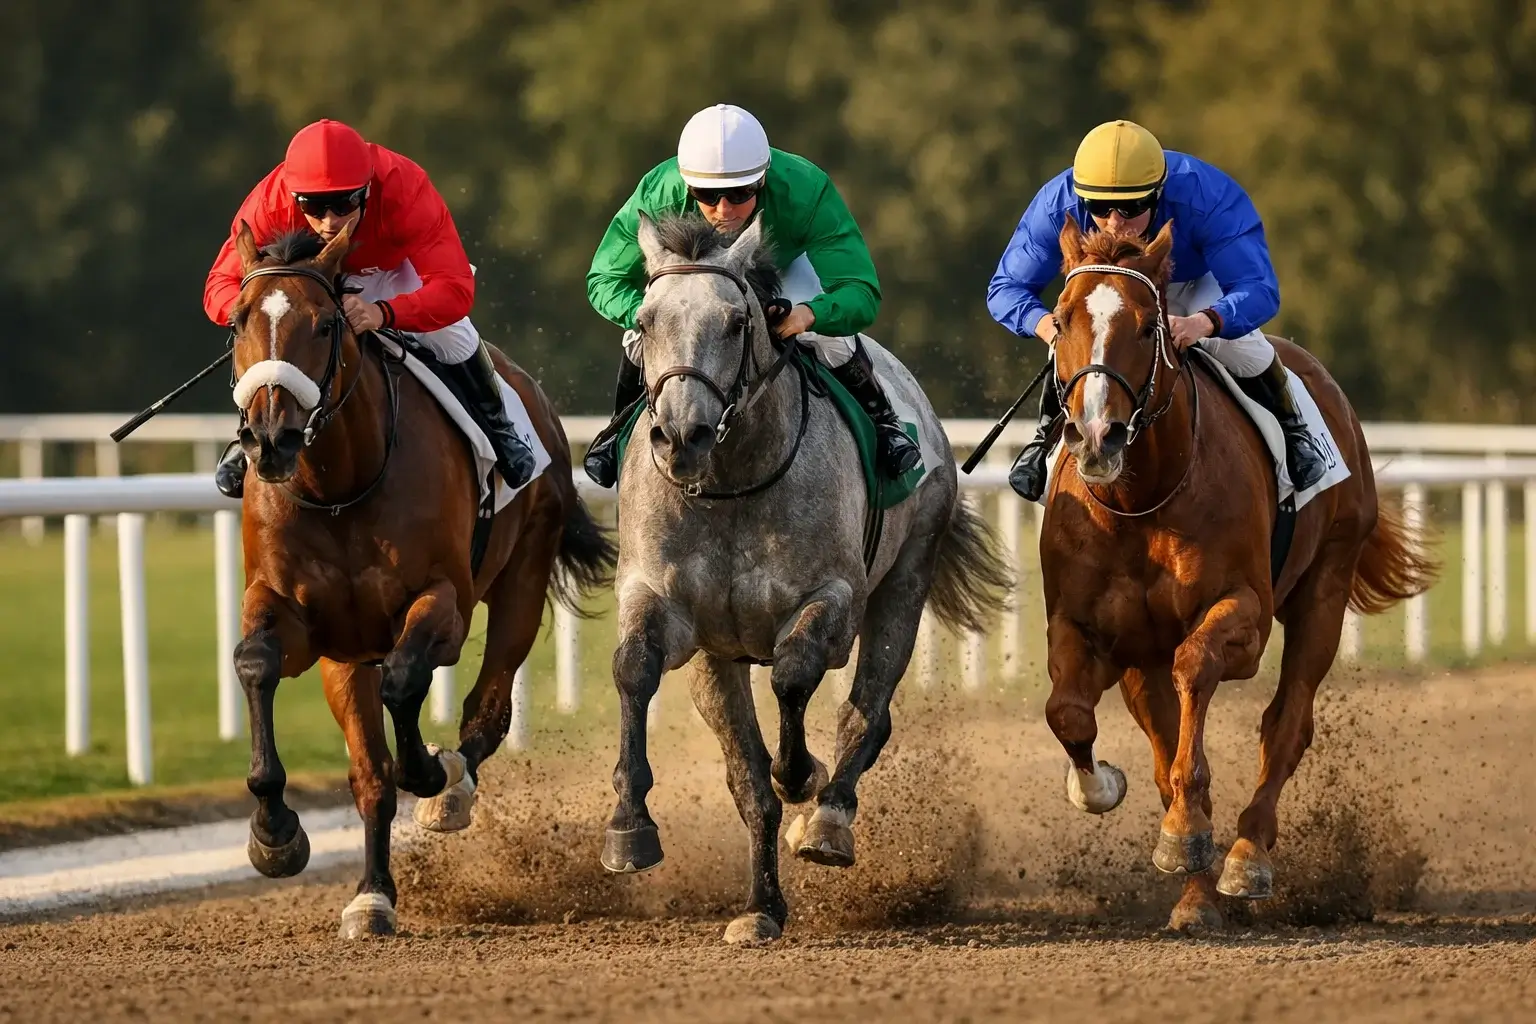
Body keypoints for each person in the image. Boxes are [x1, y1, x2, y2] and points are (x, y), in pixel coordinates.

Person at [582, 103, 921, 487]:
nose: (724, 210)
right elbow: (604, 280)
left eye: (740, 193)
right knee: (640, 334)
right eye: (707, 196)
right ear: (687, 184)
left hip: (783, 268)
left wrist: (807, 315)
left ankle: (884, 424)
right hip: (692, 279)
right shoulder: (658, 193)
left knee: (829, 334)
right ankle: (617, 432)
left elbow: (861, 292)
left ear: (762, 180)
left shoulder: (806, 188)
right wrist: (653, 316)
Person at [987, 119, 1328, 502]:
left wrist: (1205, 321)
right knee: (1080, 341)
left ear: (1157, 193)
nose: (1115, 222)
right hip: (1112, 290)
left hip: (1197, 280)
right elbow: (1006, 289)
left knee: (1238, 346)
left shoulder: (1206, 197)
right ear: (1082, 196)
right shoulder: (1058, 203)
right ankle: (1042, 442)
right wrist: (1051, 328)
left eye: (1132, 207)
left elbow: (1259, 289)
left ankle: (1295, 433)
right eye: (1099, 207)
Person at [204, 118, 535, 498]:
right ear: (294, 196)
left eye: (345, 203)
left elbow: (456, 288)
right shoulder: (269, 200)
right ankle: (250, 440)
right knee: (271, 335)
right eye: (314, 205)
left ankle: (498, 427)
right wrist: (261, 310)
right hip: (309, 287)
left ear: (367, 189)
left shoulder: (405, 187)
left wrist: (382, 313)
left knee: (454, 334)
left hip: (392, 273)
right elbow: (218, 287)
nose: (330, 221)